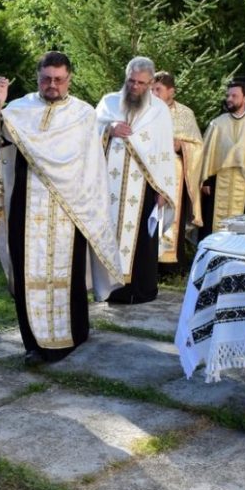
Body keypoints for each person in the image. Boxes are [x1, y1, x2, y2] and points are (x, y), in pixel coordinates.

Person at [0, 50, 122, 366]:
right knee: (28, 273)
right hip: (26, 207)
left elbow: (92, 169)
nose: (52, 85)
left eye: (58, 79)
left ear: (69, 79)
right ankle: (33, 344)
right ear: (38, 77)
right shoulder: (20, 109)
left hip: (69, 209)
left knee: (68, 275)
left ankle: (74, 334)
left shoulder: (83, 114)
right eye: (46, 79)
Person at [96, 56, 178, 304]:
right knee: (108, 233)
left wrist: (163, 189)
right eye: (131, 81)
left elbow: (164, 152)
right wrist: (109, 128)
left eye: (141, 83)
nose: (135, 87)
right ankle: (110, 289)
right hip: (108, 186)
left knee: (142, 239)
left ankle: (141, 291)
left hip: (144, 186)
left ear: (151, 83)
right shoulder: (109, 102)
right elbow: (89, 133)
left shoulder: (159, 110)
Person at [200, 80, 245, 233]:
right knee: (212, 227)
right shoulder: (217, 124)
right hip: (217, 183)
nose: (229, 99)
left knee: (241, 230)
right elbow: (206, 156)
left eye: (234, 96)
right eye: (228, 96)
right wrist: (205, 181)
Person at [151, 70, 203, 272]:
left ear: (171, 91)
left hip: (175, 173)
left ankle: (169, 266)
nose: (153, 93)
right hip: (150, 172)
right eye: (152, 89)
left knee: (172, 216)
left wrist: (182, 145)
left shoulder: (185, 113)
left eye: (158, 89)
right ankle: (148, 262)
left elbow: (198, 146)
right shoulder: (145, 111)